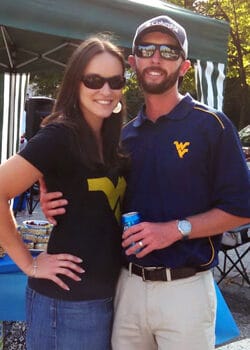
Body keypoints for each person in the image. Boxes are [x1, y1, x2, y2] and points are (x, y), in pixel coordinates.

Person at [40, 16, 250, 350]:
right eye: (147, 49)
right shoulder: (121, 133)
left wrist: (175, 229)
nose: (156, 57)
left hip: (186, 291)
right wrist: (46, 187)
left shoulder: (213, 126)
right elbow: (77, 168)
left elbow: (241, 210)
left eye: (168, 51)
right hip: (127, 287)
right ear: (133, 62)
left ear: (184, 66)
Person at [0, 36, 128, 350]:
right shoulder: (61, 135)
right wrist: (28, 263)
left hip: (109, 296)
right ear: (75, 83)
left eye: (116, 81)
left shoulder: (113, 139)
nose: (106, 91)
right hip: (67, 305)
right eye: (94, 80)